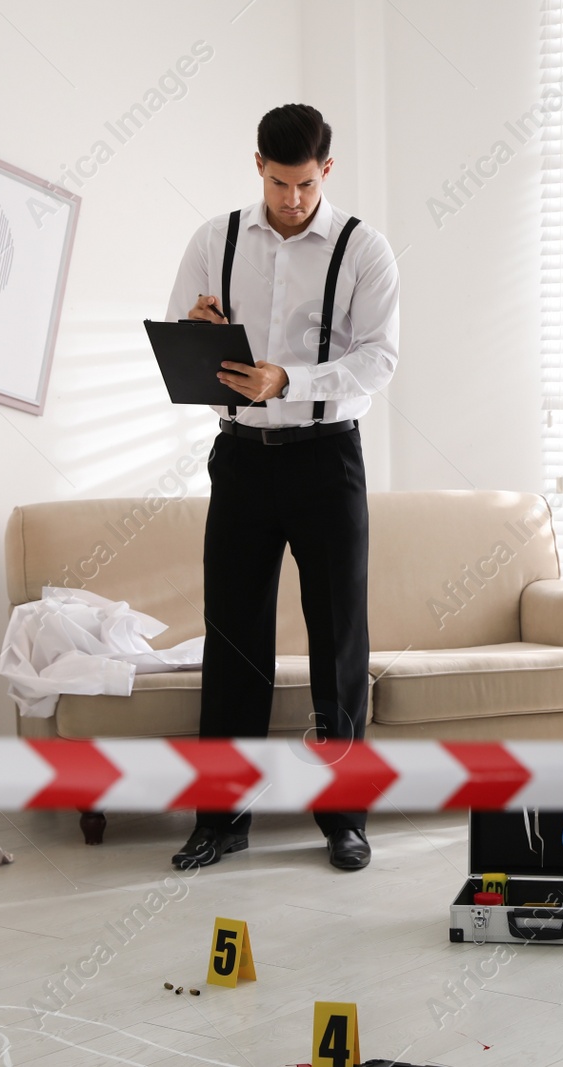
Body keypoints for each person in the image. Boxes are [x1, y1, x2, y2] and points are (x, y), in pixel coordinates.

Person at [163, 104, 399, 872]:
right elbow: (175, 340)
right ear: (256, 165)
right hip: (240, 459)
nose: (291, 199)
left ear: (325, 171)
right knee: (234, 640)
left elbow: (378, 362)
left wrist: (287, 378)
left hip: (328, 459)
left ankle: (344, 819)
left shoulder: (366, 249)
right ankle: (221, 818)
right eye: (277, 182)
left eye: (303, 184)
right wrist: (196, 326)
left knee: (337, 642)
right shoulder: (215, 239)